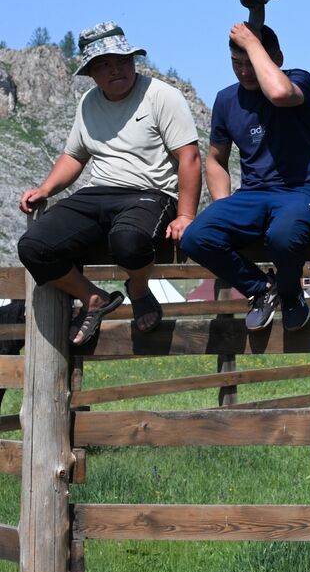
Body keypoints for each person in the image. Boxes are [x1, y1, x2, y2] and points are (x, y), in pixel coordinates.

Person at [17, 22, 201, 345]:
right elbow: (74, 156)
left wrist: (185, 215)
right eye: (104, 64)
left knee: (128, 241)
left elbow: (189, 157)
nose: (116, 69)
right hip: (98, 192)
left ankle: (139, 289)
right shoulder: (88, 103)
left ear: (133, 60)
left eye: (122, 60)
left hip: (150, 192)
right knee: (33, 246)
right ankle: (93, 298)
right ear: (90, 72)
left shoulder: (162, 96)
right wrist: (45, 189)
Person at [179, 22, 310, 331]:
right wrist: (223, 204)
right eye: (237, 63)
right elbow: (216, 159)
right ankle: (261, 289)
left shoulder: (298, 80)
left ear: (277, 58)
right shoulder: (226, 100)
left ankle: (291, 295)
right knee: (195, 237)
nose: (245, 71)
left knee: (281, 237)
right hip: (252, 195)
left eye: (251, 62)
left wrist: (251, 42)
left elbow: (279, 93)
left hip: (301, 191)